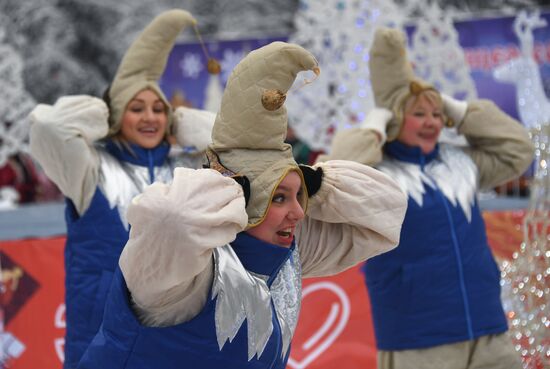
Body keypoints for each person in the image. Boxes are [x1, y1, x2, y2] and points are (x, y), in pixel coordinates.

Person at [77, 41, 408, 369]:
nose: (297, 212)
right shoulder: (183, 280)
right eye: (278, 198)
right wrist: (226, 183)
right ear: (242, 199)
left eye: (299, 196)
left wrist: (318, 182)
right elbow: (170, 218)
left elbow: (387, 210)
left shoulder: (290, 253)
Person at [320, 27, 534, 369]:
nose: (432, 123)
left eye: (437, 114)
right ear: (394, 120)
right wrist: (374, 125)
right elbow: (331, 178)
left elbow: (518, 149)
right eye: (419, 114)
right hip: (418, 340)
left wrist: (459, 110)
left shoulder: (460, 163)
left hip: (489, 330)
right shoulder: (376, 176)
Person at [28, 10, 215, 369]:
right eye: (136, 108)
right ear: (116, 116)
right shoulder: (89, 168)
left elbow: (232, 148)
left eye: (160, 110)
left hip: (179, 327)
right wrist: (105, 112)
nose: (150, 118)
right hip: (102, 335)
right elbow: (48, 126)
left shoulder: (186, 170)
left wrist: (183, 121)